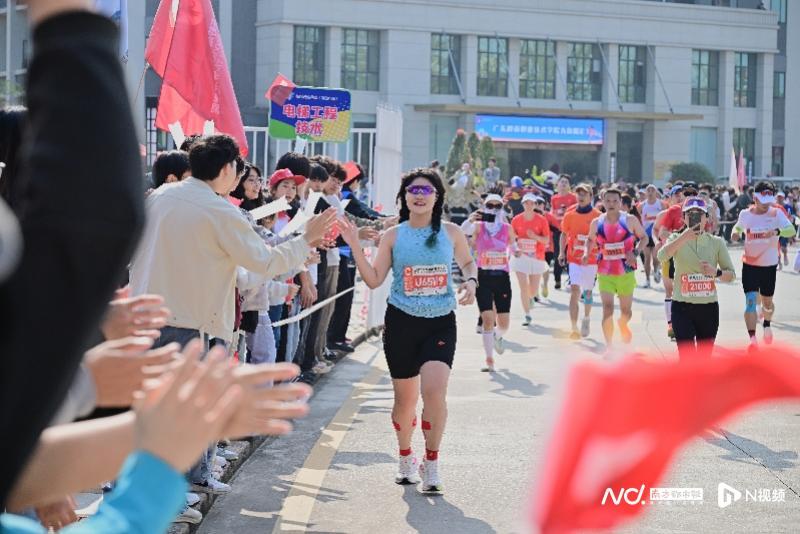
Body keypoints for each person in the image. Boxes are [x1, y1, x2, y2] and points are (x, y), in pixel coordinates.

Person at [340, 168, 477, 495]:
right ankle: (405, 456)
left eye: (426, 190)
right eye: (413, 190)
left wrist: (471, 281)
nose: (419, 195)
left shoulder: (451, 232)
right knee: (405, 401)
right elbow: (374, 280)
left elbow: (468, 262)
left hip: (440, 321)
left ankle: (432, 462)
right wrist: (354, 245)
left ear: (437, 197)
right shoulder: (393, 236)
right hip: (402, 322)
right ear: (403, 197)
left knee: (435, 391)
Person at [657, 197, 735, 360]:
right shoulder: (675, 239)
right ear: (683, 218)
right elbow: (661, 256)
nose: (695, 218)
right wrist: (684, 237)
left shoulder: (717, 243)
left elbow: (731, 276)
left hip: (708, 308)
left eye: (699, 214)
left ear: (706, 218)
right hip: (681, 307)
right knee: (687, 358)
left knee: (704, 359)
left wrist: (716, 272)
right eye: (690, 214)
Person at [732, 181, 796, 347]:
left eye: (769, 201)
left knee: (767, 303)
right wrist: (735, 233)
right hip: (750, 265)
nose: (766, 204)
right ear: (755, 198)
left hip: (769, 266)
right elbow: (737, 227)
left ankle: (767, 324)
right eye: (763, 201)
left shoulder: (776, 213)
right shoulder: (745, 214)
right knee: (750, 302)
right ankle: (752, 339)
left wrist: (777, 231)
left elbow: (792, 230)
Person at [585, 188, 648, 350]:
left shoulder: (630, 220)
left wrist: (636, 252)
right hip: (605, 272)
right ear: (602, 202)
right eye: (608, 200)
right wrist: (586, 253)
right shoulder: (597, 222)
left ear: (620, 203)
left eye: (615, 201)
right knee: (607, 309)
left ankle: (623, 324)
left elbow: (644, 238)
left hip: (625, 271)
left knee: (626, 311)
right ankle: (609, 346)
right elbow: (590, 239)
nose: (611, 204)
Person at [462, 194, 515, 371]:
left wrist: (516, 252)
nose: (493, 209)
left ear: (501, 208)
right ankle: (489, 359)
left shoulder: (507, 228)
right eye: (489, 206)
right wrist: (470, 219)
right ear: (484, 207)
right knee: (487, 319)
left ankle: (497, 336)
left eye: (497, 206)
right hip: (483, 276)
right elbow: (462, 232)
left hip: (502, 277)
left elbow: (513, 246)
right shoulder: (478, 226)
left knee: (504, 325)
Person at [559, 184, 601, 339]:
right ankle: (574, 327)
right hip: (574, 259)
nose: (581, 197)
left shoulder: (598, 216)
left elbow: (602, 237)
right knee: (575, 290)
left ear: (591, 196)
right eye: (579, 194)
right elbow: (564, 234)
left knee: (587, 292)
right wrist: (561, 252)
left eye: (584, 194)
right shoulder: (569, 215)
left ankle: (586, 318)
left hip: (591, 260)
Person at [510, 193, 550, 326]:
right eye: (526, 203)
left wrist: (535, 237)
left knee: (532, 290)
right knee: (523, 287)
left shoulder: (541, 220)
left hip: (537, 257)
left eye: (532, 203)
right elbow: (511, 239)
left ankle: (531, 297)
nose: (529, 205)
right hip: (520, 257)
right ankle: (527, 314)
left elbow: (546, 240)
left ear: (535, 205)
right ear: (522, 204)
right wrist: (515, 248)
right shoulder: (516, 220)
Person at [654, 184, 688, 339]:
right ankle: (671, 324)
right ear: (671, 197)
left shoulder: (694, 212)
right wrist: (659, 241)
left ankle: (684, 321)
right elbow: (656, 230)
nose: (680, 197)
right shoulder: (665, 214)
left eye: (683, 194)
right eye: (677, 194)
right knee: (670, 290)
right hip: (669, 254)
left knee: (685, 290)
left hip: (687, 257)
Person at [548, 175, 577, 291]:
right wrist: (557, 213)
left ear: (569, 186)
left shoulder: (573, 197)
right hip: (558, 230)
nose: (564, 184)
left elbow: (577, 211)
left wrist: (567, 212)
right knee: (557, 255)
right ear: (557, 185)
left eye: (566, 182)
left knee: (570, 254)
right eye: (562, 182)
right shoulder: (554, 198)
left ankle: (571, 279)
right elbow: (552, 212)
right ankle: (557, 279)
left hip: (571, 230)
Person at [638, 184, 665, 288]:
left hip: (656, 234)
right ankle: (647, 280)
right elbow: (637, 217)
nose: (650, 192)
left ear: (656, 192)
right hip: (646, 234)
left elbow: (665, 217)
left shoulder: (661, 204)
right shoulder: (641, 205)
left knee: (655, 256)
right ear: (645, 193)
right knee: (647, 257)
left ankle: (657, 270)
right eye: (648, 190)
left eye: (652, 190)